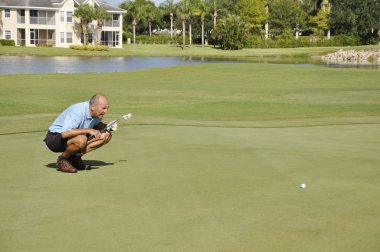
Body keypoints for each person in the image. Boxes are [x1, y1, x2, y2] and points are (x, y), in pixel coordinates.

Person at [44, 94, 117, 173]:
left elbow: (96, 124)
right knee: (82, 139)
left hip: (71, 138)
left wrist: (108, 126)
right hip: (54, 138)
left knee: (106, 135)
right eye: (103, 108)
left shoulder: (96, 112)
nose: (105, 111)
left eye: (107, 108)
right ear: (93, 106)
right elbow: (64, 134)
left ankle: (75, 157)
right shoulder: (78, 110)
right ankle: (62, 159)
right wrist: (88, 130)